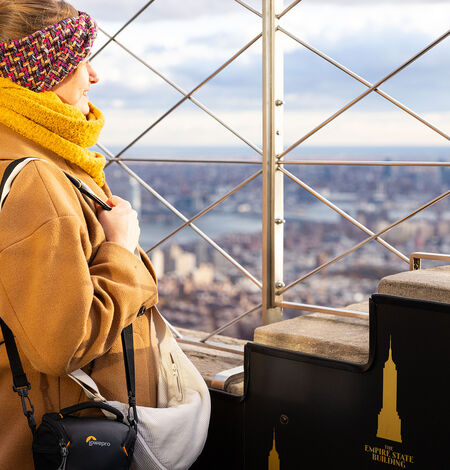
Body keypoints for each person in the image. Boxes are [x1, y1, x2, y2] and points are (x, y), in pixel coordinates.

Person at [0, 1, 159, 468]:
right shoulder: (34, 178)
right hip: (63, 435)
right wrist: (119, 249)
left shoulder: (27, 153)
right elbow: (61, 345)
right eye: (80, 61)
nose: (93, 77)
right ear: (44, 72)